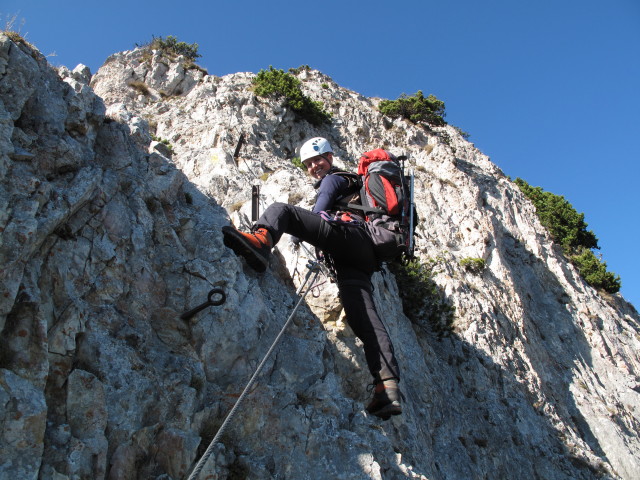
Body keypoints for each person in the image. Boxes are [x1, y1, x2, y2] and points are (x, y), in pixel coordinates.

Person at [222, 137, 402, 420]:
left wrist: (307, 229)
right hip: (361, 258)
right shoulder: (355, 185)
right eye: (308, 164)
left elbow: (319, 212)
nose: (314, 167)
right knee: (363, 316)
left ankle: (260, 241)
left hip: (352, 240)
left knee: (281, 210)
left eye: (318, 160)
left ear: (330, 157)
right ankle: (387, 387)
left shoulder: (335, 179)